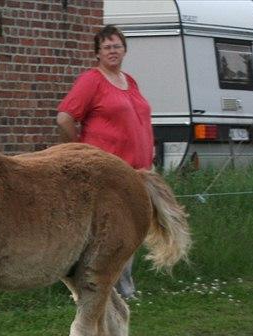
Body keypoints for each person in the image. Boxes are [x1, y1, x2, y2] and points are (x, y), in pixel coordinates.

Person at [56, 24, 154, 298]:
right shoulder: (92, 81)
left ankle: (119, 288)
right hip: (109, 174)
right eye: (107, 47)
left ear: (125, 50)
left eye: (117, 46)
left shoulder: (129, 81)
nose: (113, 51)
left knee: (132, 232)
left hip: (138, 170)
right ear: (97, 53)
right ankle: (113, 290)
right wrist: (80, 151)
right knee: (116, 234)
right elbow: (64, 117)